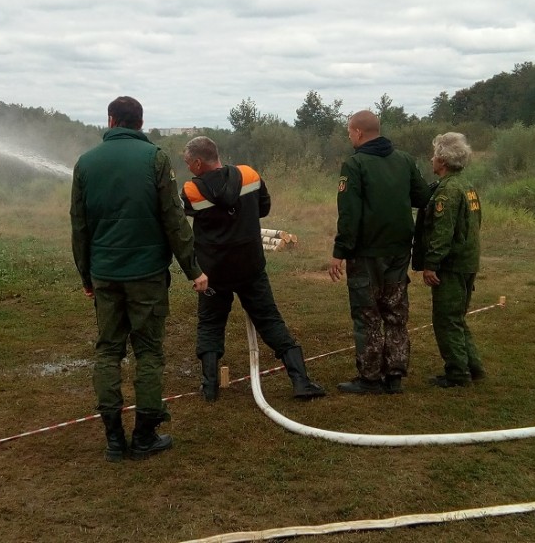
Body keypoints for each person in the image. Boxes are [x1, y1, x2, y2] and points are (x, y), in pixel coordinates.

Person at [70, 96, 209, 462]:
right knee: (148, 352)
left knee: (108, 351)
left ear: (111, 120)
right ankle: (145, 435)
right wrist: (193, 269)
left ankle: (114, 438)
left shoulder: (85, 163)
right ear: (140, 122)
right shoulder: (156, 159)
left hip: (104, 275)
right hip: (147, 276)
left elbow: (79, 227)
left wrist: (86, 275)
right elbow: (174, 221)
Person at [180, 136, 325, 402]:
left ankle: (209, 387)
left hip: (213, 272)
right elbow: (264, 208)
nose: (188, 168)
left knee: (211, 324)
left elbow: (191, 218)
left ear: (199, 162)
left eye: (189, 163)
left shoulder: (191, 190)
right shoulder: (249, 175)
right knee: (270, 320)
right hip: (250, 266)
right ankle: (301, 381)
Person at [328, 110, 431, 395]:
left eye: (349, 132)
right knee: (395, 312)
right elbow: (423, 197)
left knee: (367, 314)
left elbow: (349, 214)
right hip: (399, 250)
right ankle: (395, 374)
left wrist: (339, 250)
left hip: (366, 254)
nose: (349, 136)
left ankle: (370, 378)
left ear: (359, 133)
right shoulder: (406, 160)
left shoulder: (355, 164)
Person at [413, 132, 485, 387]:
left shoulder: (447, 192)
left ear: (442, 160)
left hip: (452, 266)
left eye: (434, 155)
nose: (432, 159)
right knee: (458, 317)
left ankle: (457, 373)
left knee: (446, 319)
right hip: (468, 261)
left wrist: (431, 264)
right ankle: (473, 366)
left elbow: (442, 232)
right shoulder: (467, 186)